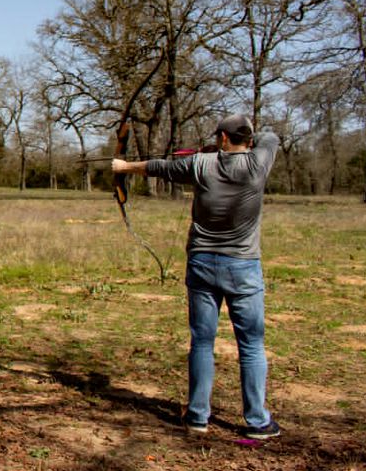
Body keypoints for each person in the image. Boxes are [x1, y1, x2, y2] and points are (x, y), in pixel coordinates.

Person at [112, 113, 281, 440]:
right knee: (251, 344)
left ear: (221, 139)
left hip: (203, 263)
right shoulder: (258, 163)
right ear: (247, 139)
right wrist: (234, 145)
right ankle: (257, 421)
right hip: (243, 267)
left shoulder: (200, 165)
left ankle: (197, 416)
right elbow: (269, 137)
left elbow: (160, 167)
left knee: (202, 341)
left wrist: (125, 168)